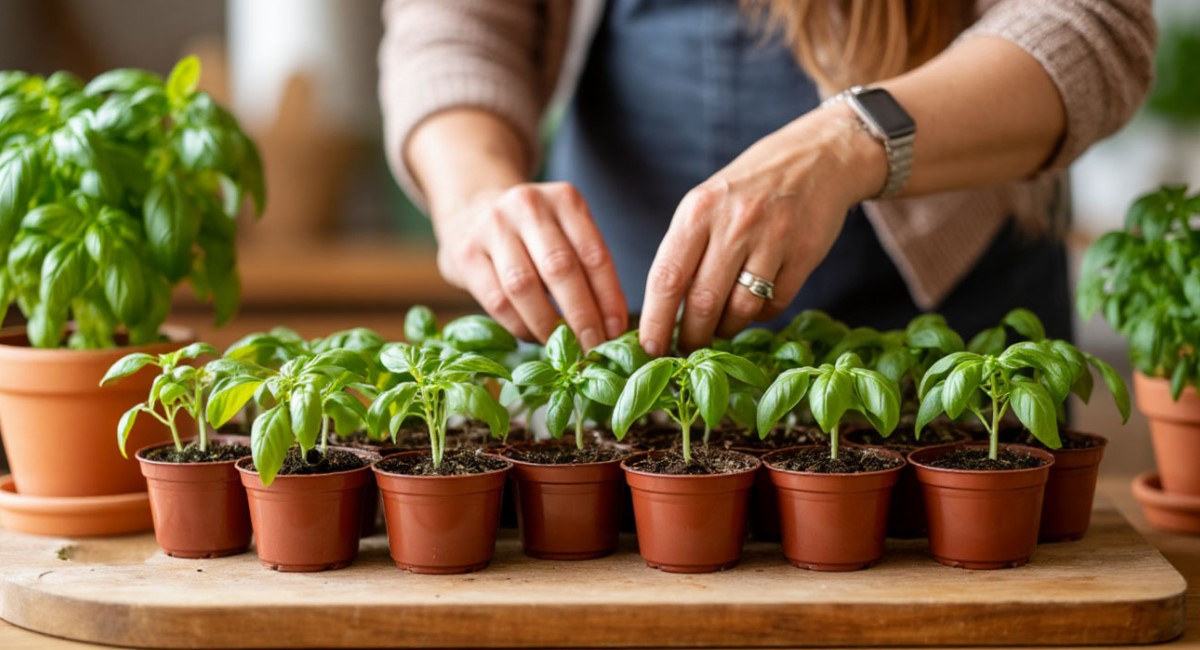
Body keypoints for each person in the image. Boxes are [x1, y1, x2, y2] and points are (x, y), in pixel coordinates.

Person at [379, 0, 1154, 356]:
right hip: (612, 305)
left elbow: (1092, 23)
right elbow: (449, 25)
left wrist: (850, 141)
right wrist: (473, 192)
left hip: (942, 315)